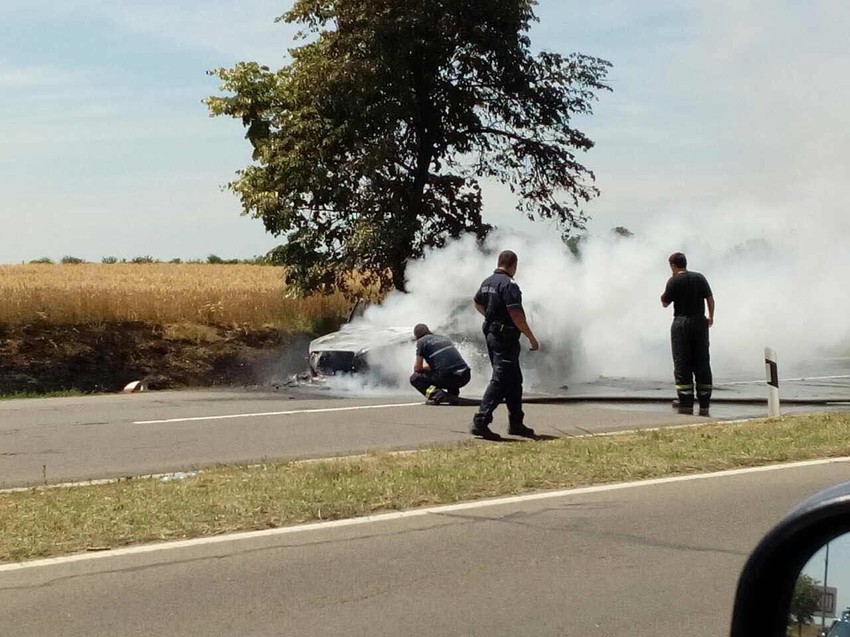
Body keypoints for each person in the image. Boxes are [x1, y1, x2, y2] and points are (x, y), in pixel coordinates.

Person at [470, 250, 539, 440]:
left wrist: (491, 317)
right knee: (501, 377)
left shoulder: (487, 282)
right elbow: (516, 313)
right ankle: (481, 420)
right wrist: (530, 337)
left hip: (493, 333)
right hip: (505, 337)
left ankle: (516, 422)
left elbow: (477, 302)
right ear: (513, 265)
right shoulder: (509, 285)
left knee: (514, 380)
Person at [660, 252, 715, 416]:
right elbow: (710, 299)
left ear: (673, 265)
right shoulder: (700, 278)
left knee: (682, 363)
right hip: (700, 323)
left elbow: (664, 303)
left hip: (681, 324)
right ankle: (704, 401)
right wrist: (711, 317)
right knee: (702, 361)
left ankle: (685, 402)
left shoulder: (673, 280)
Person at [409, 324, 471, 405]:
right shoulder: (443, 338)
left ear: (417, 336)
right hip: (465, 376)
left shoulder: (422, 342)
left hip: (449, 377)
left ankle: (435, 395)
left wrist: (427, 368)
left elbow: (417, 368)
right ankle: (452, 394)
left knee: (415, 378)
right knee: (447, 369)